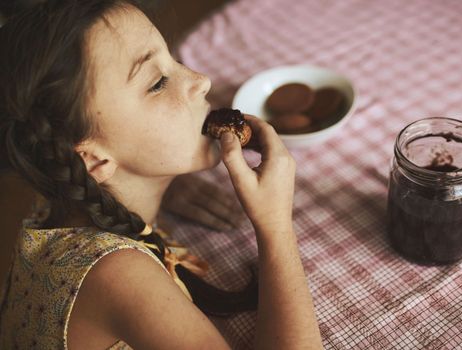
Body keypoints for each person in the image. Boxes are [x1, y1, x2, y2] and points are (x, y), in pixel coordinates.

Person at [0, 1, 323, 349]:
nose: (201, 80)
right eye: (157, 83)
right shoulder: (119, 276)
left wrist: (161, 182)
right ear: (93, 161)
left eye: (172, 57)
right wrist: (275, 225)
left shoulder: (62, 184)